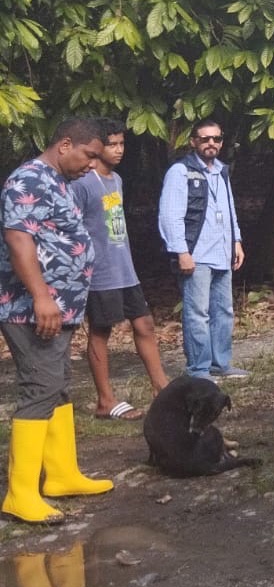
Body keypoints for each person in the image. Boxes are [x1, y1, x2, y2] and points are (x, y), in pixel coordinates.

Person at [1, 118, 115, 524]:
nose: (92, 164)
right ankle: (20, 494)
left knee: (58, 385)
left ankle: (62, 474)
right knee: (40, 388)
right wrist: (41, 295)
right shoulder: (28, 180)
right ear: (65, 144)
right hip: (30, 308)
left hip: (58, 307)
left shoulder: (59, 181)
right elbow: (19, 239)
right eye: (89, 155)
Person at [69, 119, 170, 421]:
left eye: (122, 143)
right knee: (101, 330)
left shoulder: (117, 180)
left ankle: (162, 388)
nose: (118, 150)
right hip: (99, 272)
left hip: (124, 268)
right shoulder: (82, 183)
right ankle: (105, 399)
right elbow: (72, 228)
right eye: (111, 144)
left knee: (144, 324)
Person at [158, 118, 247, 380]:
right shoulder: (180, 172)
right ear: (193, 141)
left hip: (222, 252)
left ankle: (220, 363)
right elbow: (170, 215)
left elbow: (229, 209)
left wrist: (236, 241)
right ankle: (198, 368)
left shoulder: (221, 171)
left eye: (216, 139)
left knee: (224, 311)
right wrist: (181, 252)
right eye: (205, 138)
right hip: (196, 254)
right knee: (198, 313)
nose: (211, 143)